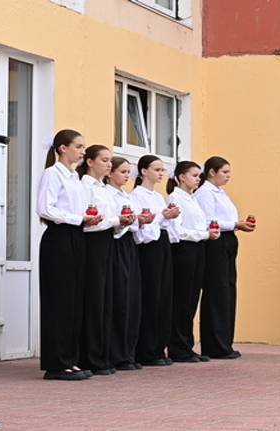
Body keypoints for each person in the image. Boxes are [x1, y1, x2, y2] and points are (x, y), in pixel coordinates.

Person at [37, 129, 100, 380]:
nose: (83, 151)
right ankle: (56, 362)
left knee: (75, 299)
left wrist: (89, 218)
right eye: (78, 146)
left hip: (77, 235)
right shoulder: (53, 174)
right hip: (59, 237)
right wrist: (77, 218)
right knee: (59, 300)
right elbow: (45, 208)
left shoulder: (75, 177)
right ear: (62, 148)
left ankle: (70, 358)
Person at [196, 156, 255, 359]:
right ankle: (215, 344)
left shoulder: (221, 192)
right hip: (216, 242)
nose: (228, 176)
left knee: (228, 289)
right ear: (212, 172)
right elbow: (208, 220)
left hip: (228, 239)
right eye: (225, 172)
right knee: (217, 290)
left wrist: (238, 224)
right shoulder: (204, 192)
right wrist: (235, 224)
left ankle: (225, 342)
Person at [76, 145, 127, 375]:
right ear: (89, 162)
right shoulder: (84, 186)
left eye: (109, 161)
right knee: (94, 298)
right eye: (104, 160)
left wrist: (120, 223)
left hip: (107, 240)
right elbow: (91, 219)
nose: (108, 164)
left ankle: (104, 354)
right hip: (92, 243)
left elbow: (109, 219)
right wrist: (115, 220)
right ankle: (91, 356)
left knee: (106, 298)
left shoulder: (104, 188)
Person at [167, 161, 220, 363]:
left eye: (199, 176)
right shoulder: (175, 198)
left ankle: (186, 344)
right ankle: (178, 346)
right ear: (181, 177)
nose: (198, 179)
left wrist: (206, 234)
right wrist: (203, 234)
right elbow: (178, 230)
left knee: (191, 298)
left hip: (198, 247)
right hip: (184, 249)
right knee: (181, 298)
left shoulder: (192, 199)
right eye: (194, 175)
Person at [130, 155, 180, 366]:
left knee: (163, 297)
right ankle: (146, 350)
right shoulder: (136, 196)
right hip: (148, 247)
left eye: (162, 170)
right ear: (143, 171)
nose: (160, 173)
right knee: (150, 297)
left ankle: (159, 347)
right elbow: (145, 229)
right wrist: (162, 217)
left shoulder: (159, 197)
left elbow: (163, 225)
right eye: (156, 169)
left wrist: (168, 217)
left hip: (162, 243)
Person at [105, 157, 148, 371]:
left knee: (132, 298)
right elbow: (112, 221)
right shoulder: (107, 194)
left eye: (128, 172)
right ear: (110, 173)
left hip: (130, 243)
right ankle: (117, 353)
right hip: (117, 243)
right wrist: (126, 222)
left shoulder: (126, 195)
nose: (127, 176)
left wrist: (139, 220)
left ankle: (128, 353)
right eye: (122, 171)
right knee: (120, 297)